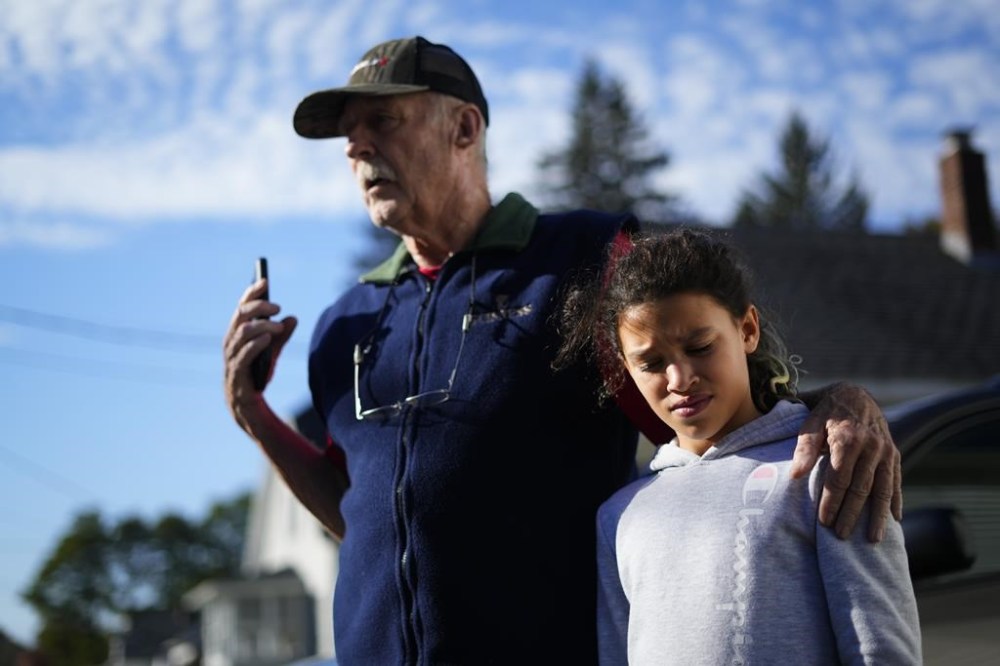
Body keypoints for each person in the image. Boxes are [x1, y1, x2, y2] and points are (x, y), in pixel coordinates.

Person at [222, 36, 902, 665]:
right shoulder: (347, 323)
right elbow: (354, 513)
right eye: (348, 134)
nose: (356, 147)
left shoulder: (580, 259)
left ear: (464, 129)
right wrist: (254, 416)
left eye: (383, 123)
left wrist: (836, 402)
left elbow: (706, 405)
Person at [554, 229, 921, 664]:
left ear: (746, 330)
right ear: (625, 368)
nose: (679, 379)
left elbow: (882, 651)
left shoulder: (828, 463)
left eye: (700, 347)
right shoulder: (619, 516)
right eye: (651, 363)